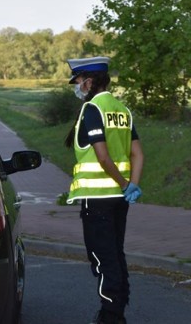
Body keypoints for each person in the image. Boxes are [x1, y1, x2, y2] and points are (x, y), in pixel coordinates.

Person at [64, 56, 144, 324]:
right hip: (120, 200)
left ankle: (110, 316)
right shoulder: (122, 110)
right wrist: (132, 184)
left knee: (102, 257)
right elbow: (137, 154)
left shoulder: (92, 110)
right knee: (115, 254)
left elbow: (102, 156)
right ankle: (117, 311)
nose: (76, 87)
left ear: (88, 80)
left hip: (98, 200)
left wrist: (124, 184)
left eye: (77, 81)